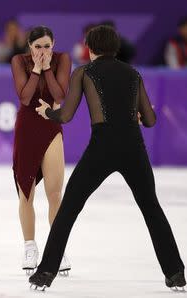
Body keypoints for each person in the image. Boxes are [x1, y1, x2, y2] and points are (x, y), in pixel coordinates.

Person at [29, 25, 185, 291]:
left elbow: (65, 115)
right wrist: (136, 114)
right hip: (133, 148)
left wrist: (48, 114)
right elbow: (149, 120)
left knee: (68, 210)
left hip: (101, 148)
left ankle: (45, 273)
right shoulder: (133, 73)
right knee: (151, 209)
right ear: (116, 47)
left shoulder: (85, 72)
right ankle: (176, 274)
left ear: (90, 49)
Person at [10, 26, 72, 276]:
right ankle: (29, 246)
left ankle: (56, 249)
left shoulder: (62, 60)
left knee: (55, 193)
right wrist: (36, 69)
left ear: (53, 44)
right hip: (26, 128)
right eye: (38, 47)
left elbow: (61, 94)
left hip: (50, 127)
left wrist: (46, 68)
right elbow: (24, 97)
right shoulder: (19, 61)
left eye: (47, 46)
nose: (43, 51)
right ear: (29, 47)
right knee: (26, 192)